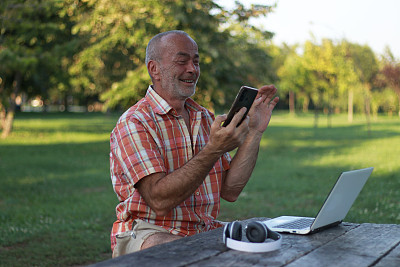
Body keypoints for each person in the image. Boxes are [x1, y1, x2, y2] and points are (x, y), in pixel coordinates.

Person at [109, 30, 279, 257]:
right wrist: (214, 148)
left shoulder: (206, 118)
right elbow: (159, 200)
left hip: (201, 232)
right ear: (154, 69)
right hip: (148, 232)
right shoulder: (134, 122)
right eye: (182, 61)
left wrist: (255, 132)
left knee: (268, 241)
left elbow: (230, 190)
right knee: (182, 251)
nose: (192, 69)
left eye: (196, 62)